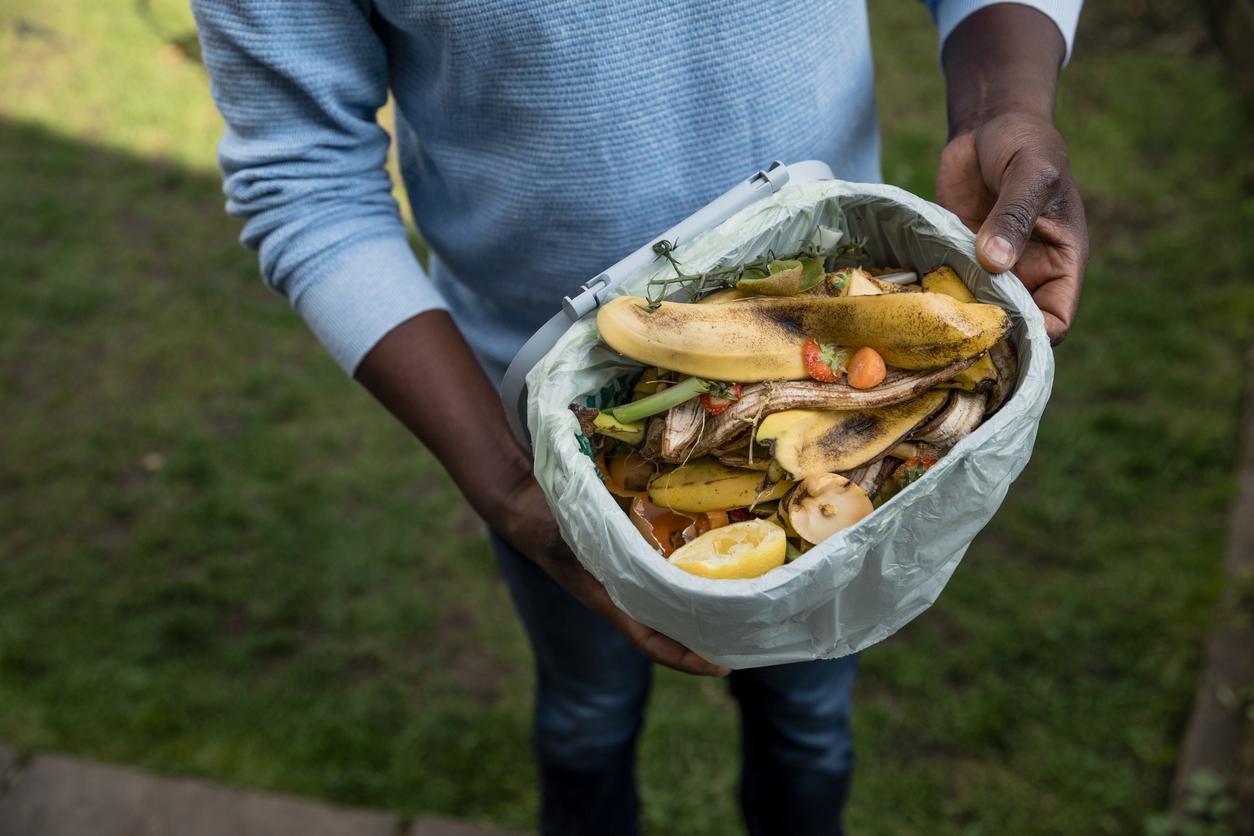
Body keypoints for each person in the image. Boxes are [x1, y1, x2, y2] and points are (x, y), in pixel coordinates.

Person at [191, 2, 1088, 833]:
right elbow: (302, 177)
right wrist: (508, 483)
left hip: (847, 359)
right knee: (588, 714)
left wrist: (998, 104)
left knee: (811, 717)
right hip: (543, 431)